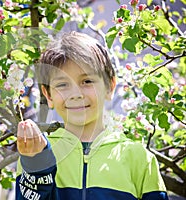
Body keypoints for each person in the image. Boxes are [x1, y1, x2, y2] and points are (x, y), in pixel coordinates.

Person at [15, 31, 168, 200]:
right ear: (48, 95)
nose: (76, 94)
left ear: (110, 86)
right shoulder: (36, 152)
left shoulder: (139, 158)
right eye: (63, 84)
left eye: (87, 81)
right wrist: (37, 165)